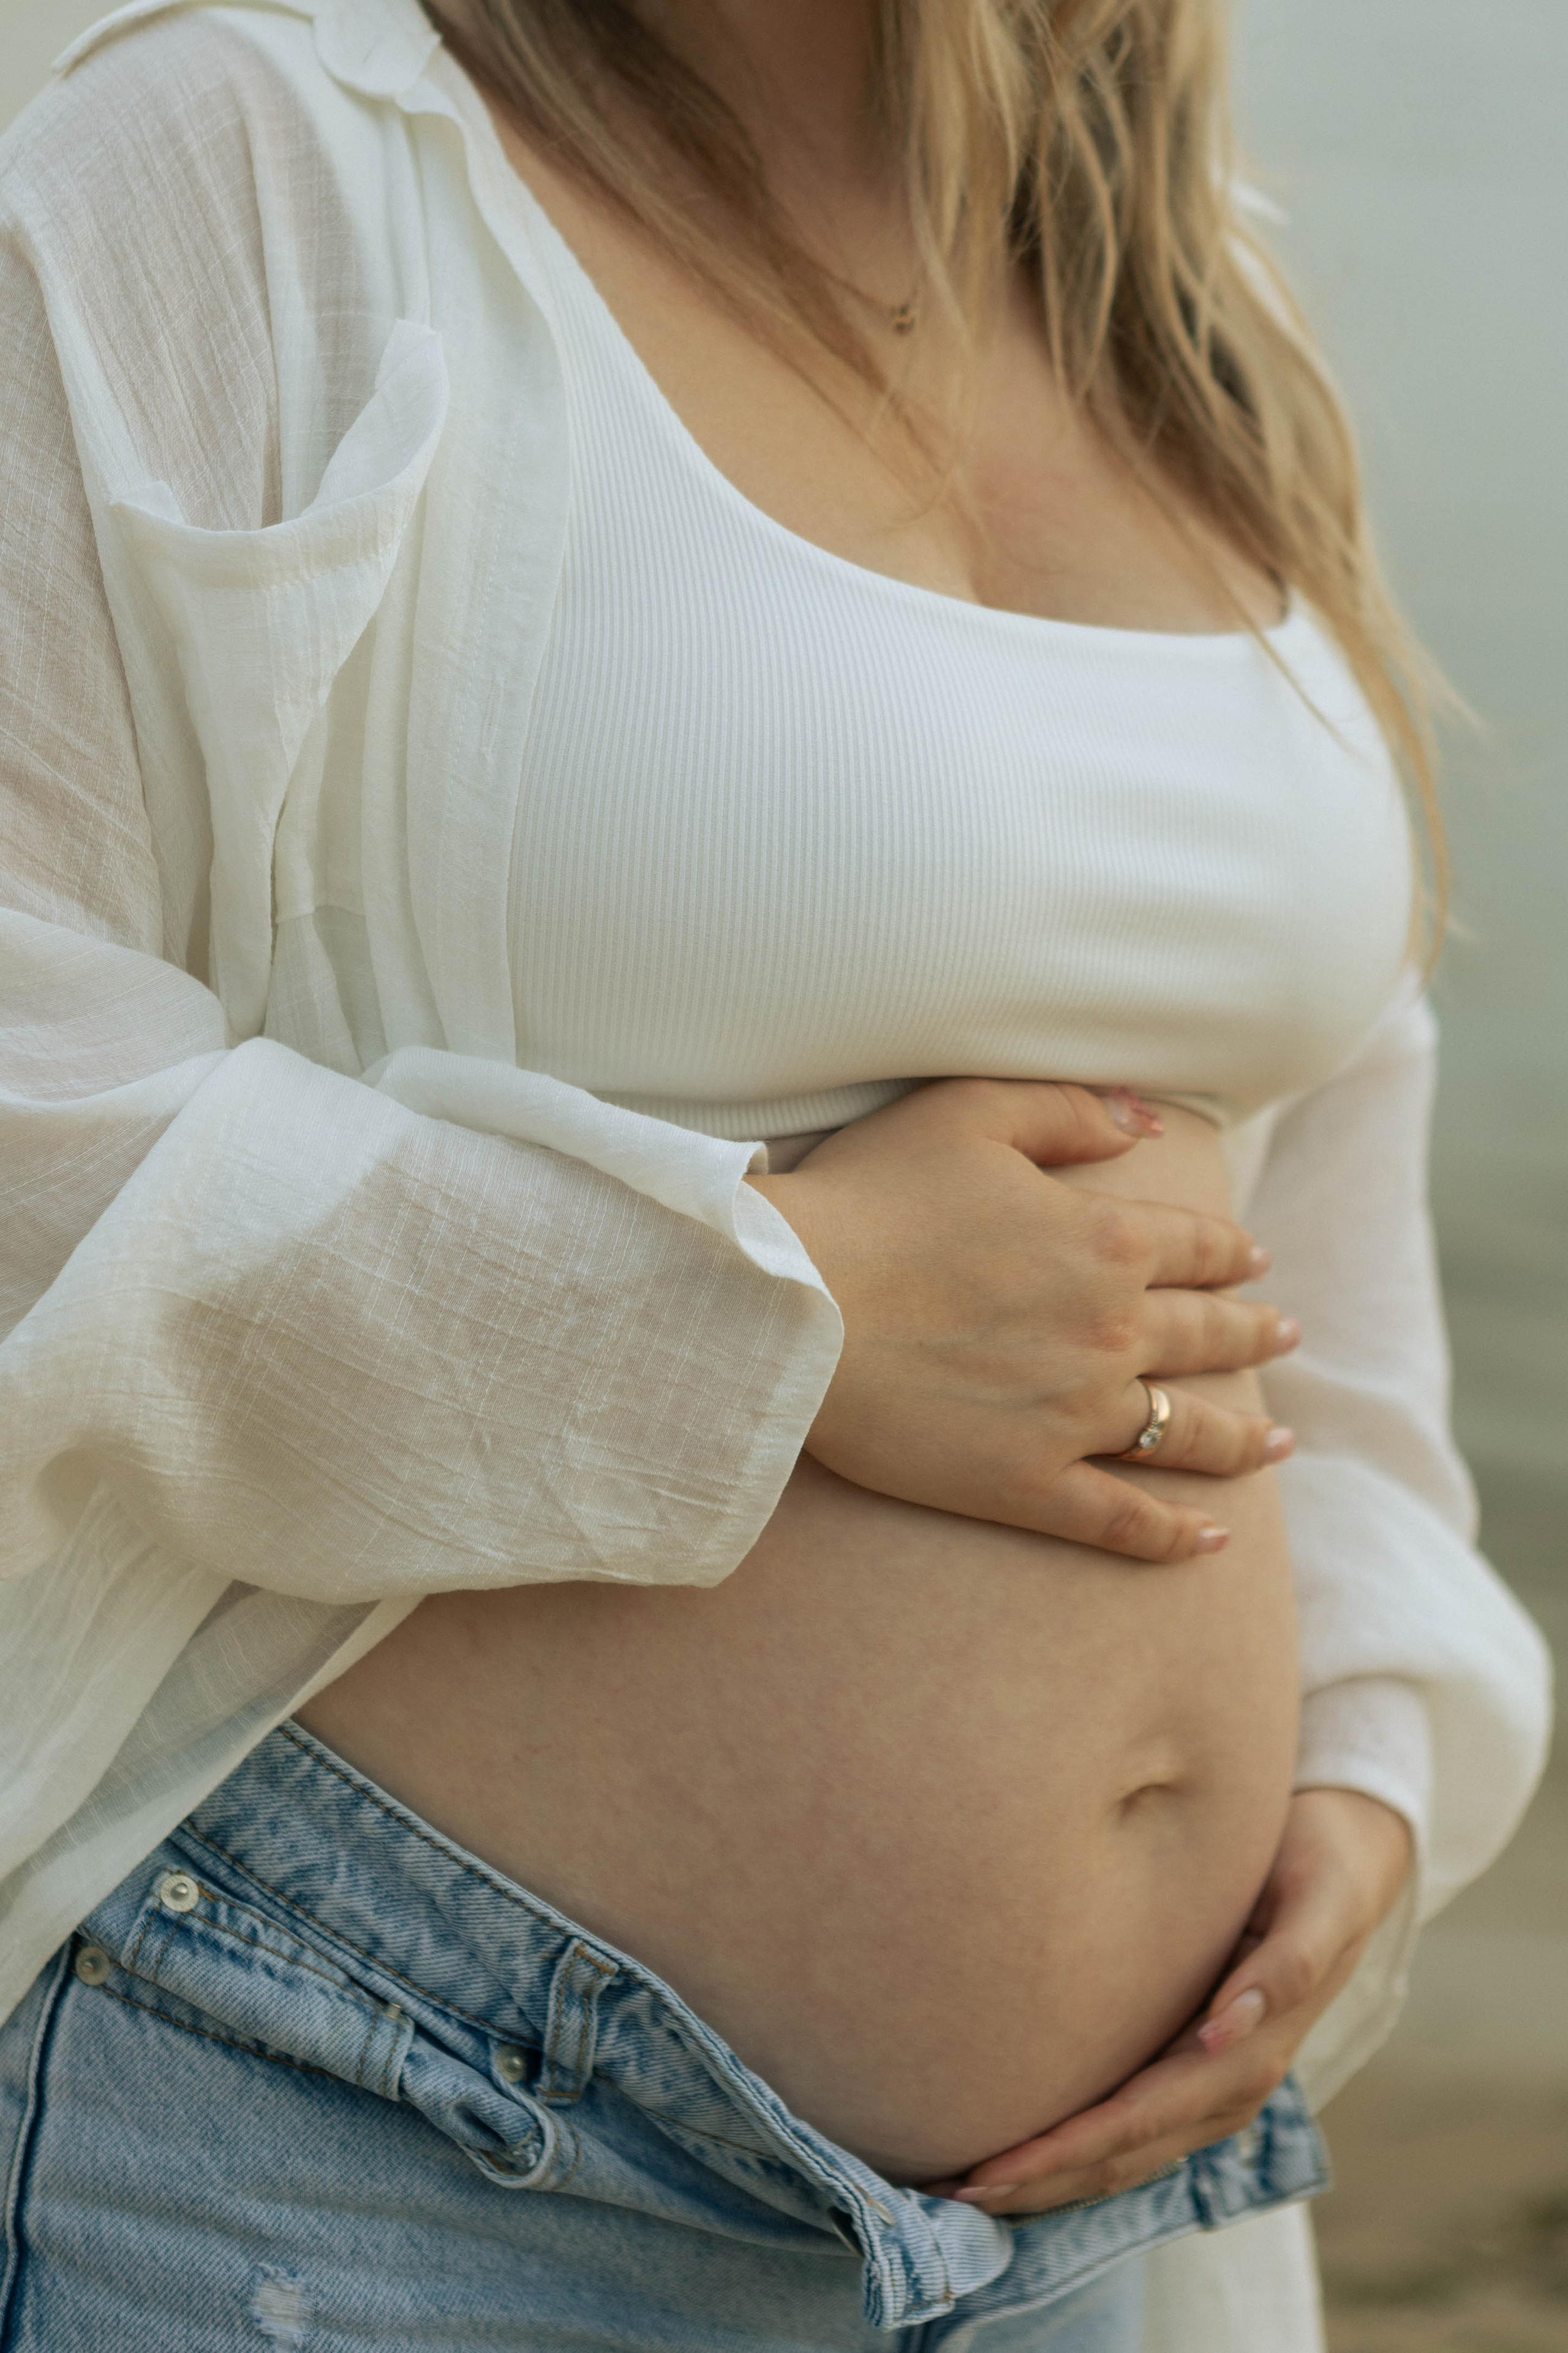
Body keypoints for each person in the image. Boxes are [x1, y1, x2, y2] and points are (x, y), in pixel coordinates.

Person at [0, 1, 1550, 2347]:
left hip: (1114, 2198)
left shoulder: (1176, 278)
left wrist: (1373, 1760)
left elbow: (1309, 1147)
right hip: (377, 2128)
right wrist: (763, 1312)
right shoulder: (243, 162)